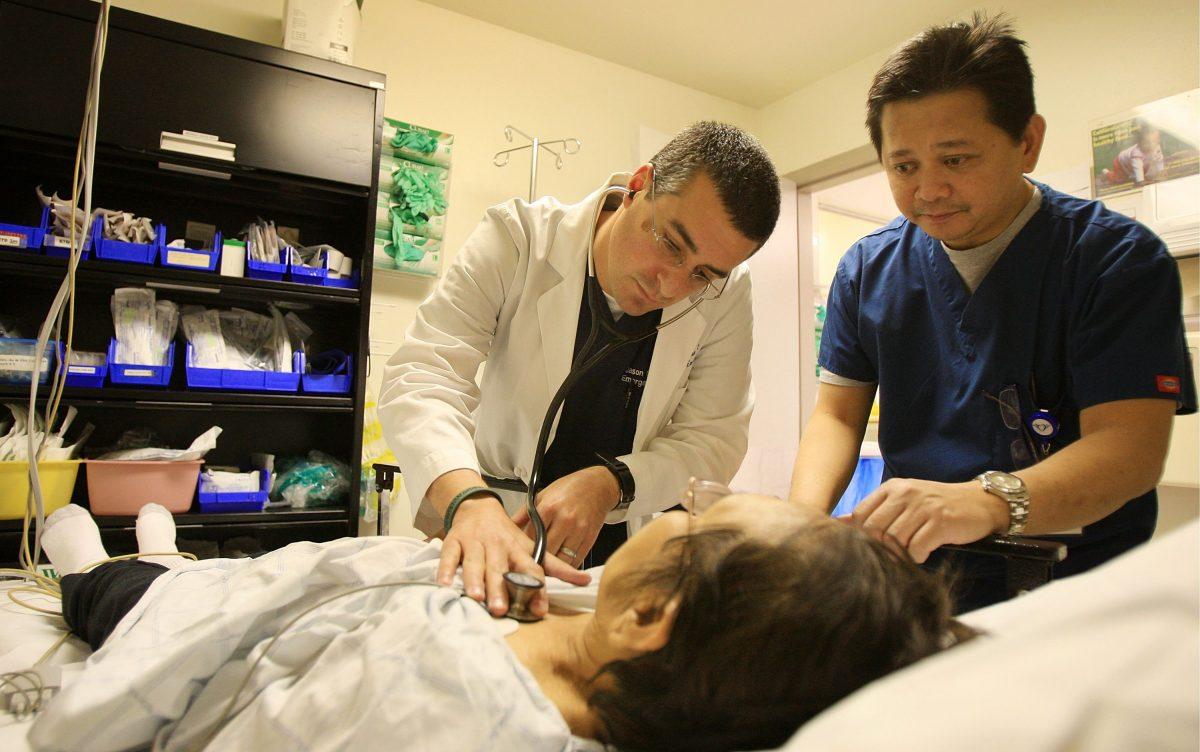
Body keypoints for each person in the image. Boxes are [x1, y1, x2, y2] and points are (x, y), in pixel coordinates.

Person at [790, 14, 1197, 611]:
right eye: (904, 167)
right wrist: (798, 527)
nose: (928, 190)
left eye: (955, 160)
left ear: (1027, 142)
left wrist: (988, 501)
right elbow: (838, 418)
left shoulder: (1116, 261)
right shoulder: (867, 270)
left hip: (1073, 580)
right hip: (918, 577)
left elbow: (1130, 450)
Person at [29, 496, 964, 752]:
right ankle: (166, 546)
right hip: (306, 588)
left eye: (685, 520)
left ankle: (104, 561)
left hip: (238, 623)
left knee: (129, 598)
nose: (672, 514)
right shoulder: (625, 665)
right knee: (205, 570)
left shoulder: (427, 701)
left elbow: (253, 709)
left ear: (648, 616)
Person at [379, 121, 781, 618]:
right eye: (671, 245)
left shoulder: (726, 295)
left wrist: (612, 483)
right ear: (638, 187)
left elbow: (713, 439)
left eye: (703, 275)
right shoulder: (520, 238)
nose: (671, 287)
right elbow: (424, 374)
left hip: (620, 542)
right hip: (490, 517)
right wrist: (467, 501)